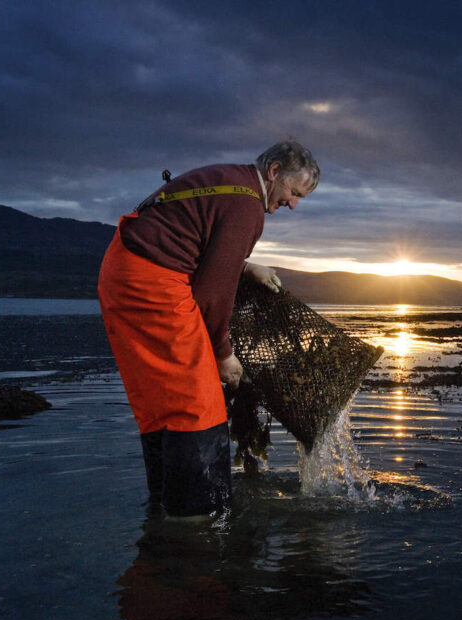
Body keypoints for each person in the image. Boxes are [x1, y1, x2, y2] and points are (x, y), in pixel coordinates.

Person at [98, 140, 319, 516]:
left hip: (122, 271)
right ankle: (197, 519)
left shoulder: (231, 180)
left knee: (161, 402)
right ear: (274, 171)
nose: (294, 204)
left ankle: (163, 509)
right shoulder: (247, 205)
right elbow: (213, 294)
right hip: (152, 281)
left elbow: (196, 239)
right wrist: (223, 354)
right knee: (199, 405)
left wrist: (246, 267)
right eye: (294, 193)